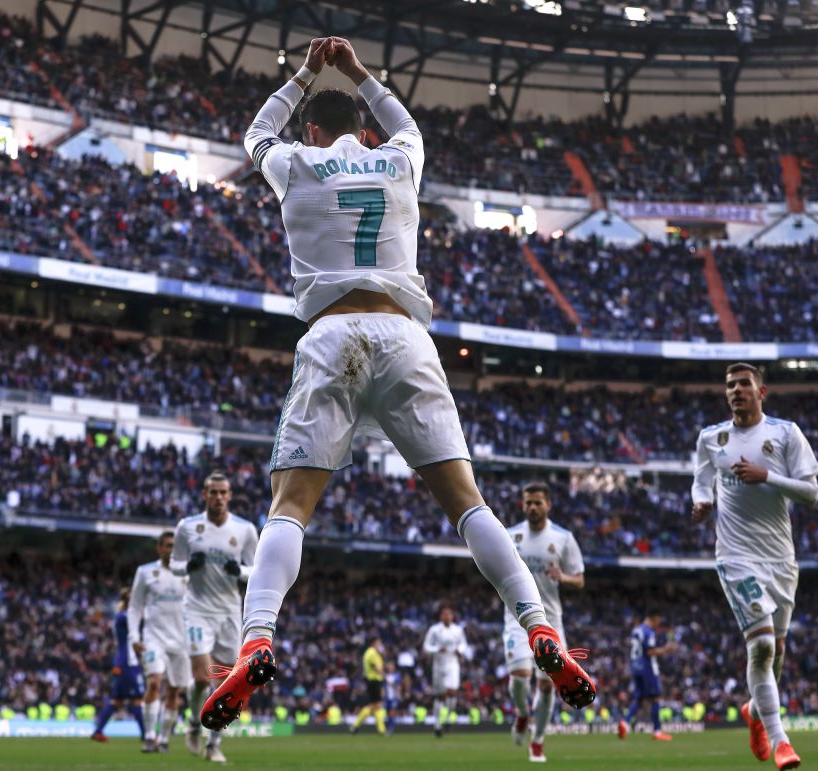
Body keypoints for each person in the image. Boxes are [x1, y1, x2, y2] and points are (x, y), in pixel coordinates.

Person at [201, 34, 594, 732]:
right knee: (468, 503)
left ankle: (257, 636)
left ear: (314, 131)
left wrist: (301, 76)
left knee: (289, 507)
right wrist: (359, 71)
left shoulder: (296, 162)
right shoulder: (398, 159)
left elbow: (255, 133)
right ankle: (540, 627)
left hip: (332, 334)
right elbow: (409, 126)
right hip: (406, 336)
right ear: (365, 129)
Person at [692, 362, 818, 771]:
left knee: (776, 651)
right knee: (762, 645)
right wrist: (701, 500)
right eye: (730, 385)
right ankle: (781, 741)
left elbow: (811, 493)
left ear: (761, 391)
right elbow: (701, 478)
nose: (735, 390)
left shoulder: (785, 433)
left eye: (744, 384)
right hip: (735, 557)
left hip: (780, 560)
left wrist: (768, 477)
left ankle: (755, 712)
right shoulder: (712, 438)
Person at [172, 471, 259, 763]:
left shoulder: (245, 529)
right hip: (197, 610)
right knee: (200, 678)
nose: (218, 497)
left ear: (230, 496)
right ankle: (194, 725)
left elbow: (256, 568)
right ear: (204, 495)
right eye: (213, 492)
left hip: (228, 613)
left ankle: (214, 743)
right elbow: (174, 564)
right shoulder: (187, 527)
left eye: (223, 492)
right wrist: (187, 567)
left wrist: (241, 572)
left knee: (225, 682)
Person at [503, 481, 584, 763]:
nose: (532, 507)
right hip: (518, 617)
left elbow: (580, 579)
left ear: (548, 504)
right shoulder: (510, 536)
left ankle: (537, 741)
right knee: (519, 680)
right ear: (522, 505)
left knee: (549, 684)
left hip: (551, 620)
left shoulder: (563, 538)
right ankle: (523, 714)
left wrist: (563, 577)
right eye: (528, 502)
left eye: (537, 502)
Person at [128, 531, 190, 753]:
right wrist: (134, 637)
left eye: (174, 546)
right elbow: (134, 607)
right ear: (159, 548)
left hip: (181, 641)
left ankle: (164, 737)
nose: (170, 549)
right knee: (154, 682)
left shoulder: (188, 573)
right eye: (166, 545)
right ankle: (149, 736)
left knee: (174, 691)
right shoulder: (145, 573)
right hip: (154, 638)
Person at [91, 589, 146, 743]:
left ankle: (98, 731)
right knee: (136, 700)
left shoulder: (123, 616)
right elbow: (140, 620)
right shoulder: (123, 616)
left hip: (125, 662)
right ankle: (146, 736)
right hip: (128, 663)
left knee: (117, 701)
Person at [618, 611, 678, 741]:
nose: (658, 624)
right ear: (653, 618)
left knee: (640, 698)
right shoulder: (648, 632)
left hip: (635, 667)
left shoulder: (636, 630)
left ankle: (625, 722)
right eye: (658, 620)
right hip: (647, 668)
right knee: (655, 697)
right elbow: (650, 651)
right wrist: (666, 649)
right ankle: (657, 731)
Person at [423, 606, 467, 739]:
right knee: (440, 696)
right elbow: (426, 646)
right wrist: (436, 649)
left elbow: (463, 644)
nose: (447, 617)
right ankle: (437, 725)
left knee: (452, 693)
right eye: (445, 614)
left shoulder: (458, 630)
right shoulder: (434, 630)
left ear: (452, 616)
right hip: (438, 665)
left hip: (452, 664)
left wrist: (460, 650)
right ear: (441, 616)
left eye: (449, 614)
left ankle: (447, 719)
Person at [351, 636, 386, 735]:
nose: (380, 645)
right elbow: (374, 666)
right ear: (374, 642)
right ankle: (380, 730)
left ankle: (356, 726)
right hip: (374, 680)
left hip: (372, 680)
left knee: (375, 705)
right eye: (379, 643)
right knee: (376, 705)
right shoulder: (371, 653)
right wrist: (385, 676)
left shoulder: (371, 653)